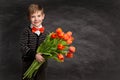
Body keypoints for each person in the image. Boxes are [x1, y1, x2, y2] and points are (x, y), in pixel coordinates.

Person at [19, 4, 49, 80]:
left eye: (39, 16)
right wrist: (35, 55)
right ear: (29, 18)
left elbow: (48, 49)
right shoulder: (26, 31)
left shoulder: (47, 33)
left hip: (41, 65)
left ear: (43, 16)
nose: (36, 19)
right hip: (28, 64)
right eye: (33, 16)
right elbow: (23, 47)